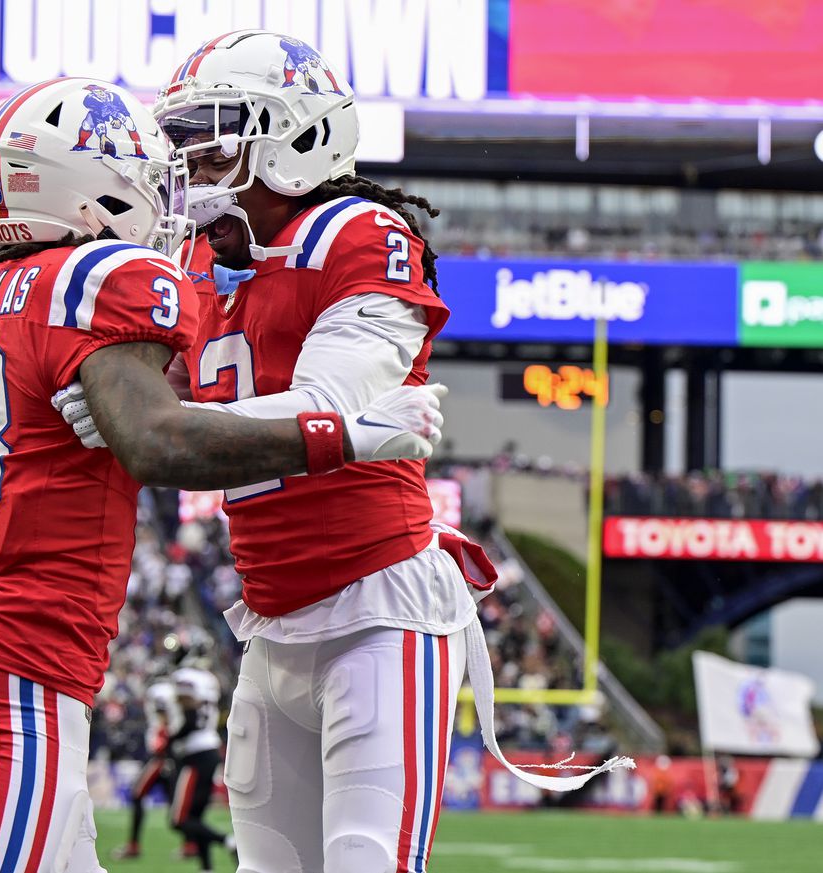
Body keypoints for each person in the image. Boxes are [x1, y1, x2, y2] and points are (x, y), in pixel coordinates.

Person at [55, 30, 631, 873]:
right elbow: (173, 408)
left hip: (379, 608)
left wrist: (154, 415)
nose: (190, 166)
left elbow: (326, 409)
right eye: (181, 141)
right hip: (271, 621)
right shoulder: (190, 258)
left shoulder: (357, 234)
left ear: (292, 136)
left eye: (211, 140)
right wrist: (121, 398)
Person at [0, 75, 448, 873]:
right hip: (16, 672)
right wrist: (342, 436)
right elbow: (157, 443)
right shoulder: (100, 284)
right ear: (91, 192)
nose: (172, 193)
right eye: (145, 173)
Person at [166, 667, 227, 873]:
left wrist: (171, 740)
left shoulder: (188, 679)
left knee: (179, 820)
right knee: (195, 818)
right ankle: (206, 867)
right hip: (210, 749)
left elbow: (190, 718)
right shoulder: (209, 681)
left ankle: (227, 841)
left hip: (196, 756)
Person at [112, 678, 178, 861]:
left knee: (138, 794)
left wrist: (162, 745)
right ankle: (192, 845)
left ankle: (133, 846)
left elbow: (163, 718)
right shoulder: (169, 689)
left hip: (161, 757)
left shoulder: (160, 691)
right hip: (167, 755)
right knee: (175, 805)